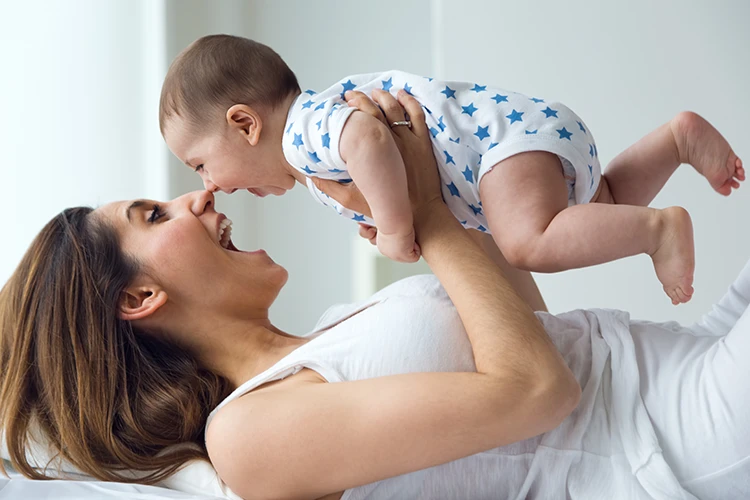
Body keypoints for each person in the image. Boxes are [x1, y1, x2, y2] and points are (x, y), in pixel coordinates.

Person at [0, 91, 748, 500]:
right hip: (677, 442)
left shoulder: (333, 328)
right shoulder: (248, 437)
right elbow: (536, 394)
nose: (194, 198)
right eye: (153, 217)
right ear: (137, 297)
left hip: (681, 357)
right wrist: (423, 212)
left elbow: (535, 334)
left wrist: (446, 198)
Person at [158, 34, 744, 305]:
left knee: (528, 242)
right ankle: (674, 141)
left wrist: (392, 225)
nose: (208, 185)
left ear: (244, 124)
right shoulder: (312, 127)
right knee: (602, 205)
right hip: (520, 138)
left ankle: (659, 229)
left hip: (499, 152)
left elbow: (367, 137)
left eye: (201, 164)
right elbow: (377, 163)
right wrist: (380, 209)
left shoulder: (302, 135)